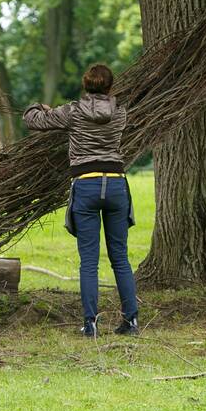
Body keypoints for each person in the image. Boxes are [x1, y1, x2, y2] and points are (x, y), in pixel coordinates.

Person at [23, 64, 138, 338]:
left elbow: (34, 121)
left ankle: (91, 324)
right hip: (116, 185)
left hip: (86, 184)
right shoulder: (121, 113)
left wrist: (38, 106)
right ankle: (131, 322)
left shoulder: (73, 111)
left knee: (89, 261)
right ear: (111, 87)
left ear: (85, 87)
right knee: (120, 258)